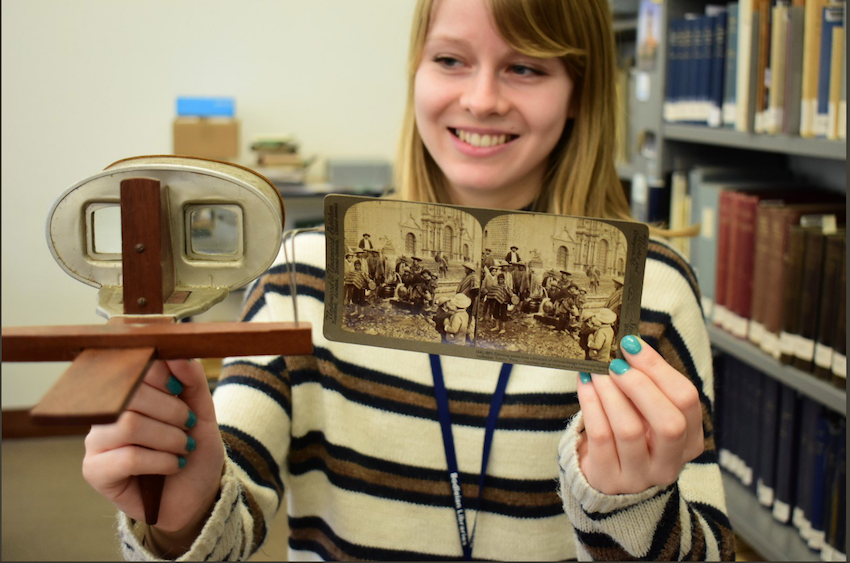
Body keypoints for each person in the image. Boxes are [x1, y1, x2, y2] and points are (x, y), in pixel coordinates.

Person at [84, 0, 733, 560]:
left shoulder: (650, 294)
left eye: (526, 67)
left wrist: (633, 504)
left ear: (578, 94)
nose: (481, 98)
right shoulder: (305, 273)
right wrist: (182, 508)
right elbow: (223, 525)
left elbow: (708, 546)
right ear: (415, 73)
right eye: (450, 60)